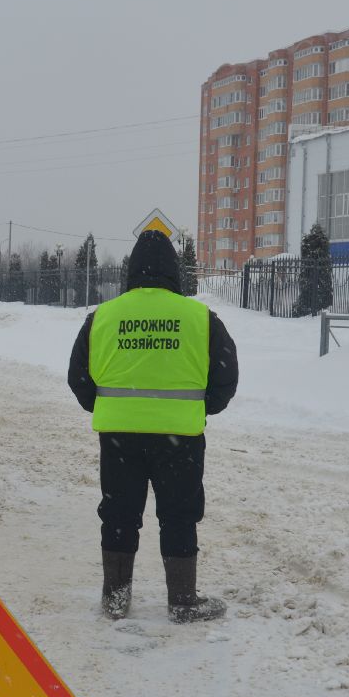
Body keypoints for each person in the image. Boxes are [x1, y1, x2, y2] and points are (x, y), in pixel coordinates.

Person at [67, 230, 238, 623]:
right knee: (178, 515)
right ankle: (182, 600)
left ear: (132, 270)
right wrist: (198, 409)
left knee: (119, 514)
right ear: (173, 272)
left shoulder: (103, 317)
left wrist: (109, 408)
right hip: (181, 439)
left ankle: (115, 599)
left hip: (119, 439)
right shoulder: (200, 318)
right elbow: (226, 379)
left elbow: (78, 377)